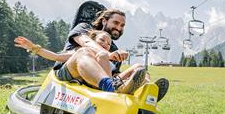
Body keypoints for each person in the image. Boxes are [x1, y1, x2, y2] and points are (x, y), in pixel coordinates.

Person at [15, 30, 145, 94]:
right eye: (102, 40)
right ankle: (110, 87)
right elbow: (55, 56)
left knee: (139, 67)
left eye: (109, 43)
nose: (106, 44)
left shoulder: (107, 58)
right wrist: (32, 47)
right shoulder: (82, 51)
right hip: (79, 75)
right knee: (91, 53)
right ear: (93, 40)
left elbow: (113, 73)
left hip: (108, 81)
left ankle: (148, 90)